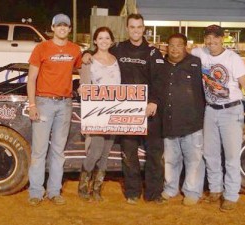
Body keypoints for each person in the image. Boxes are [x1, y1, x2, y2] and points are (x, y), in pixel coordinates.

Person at [83, 13, 165, 204]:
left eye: (139, 27)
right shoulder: (119, 48)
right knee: (129, 154)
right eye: (132, 27)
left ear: (144, 29)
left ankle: (154, 194)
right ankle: (132, 192)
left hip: (149, 110)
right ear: (127, 29)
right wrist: (84, 53)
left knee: (154, 153)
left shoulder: (154, 52)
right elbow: (99, 49)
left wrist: (153, 101)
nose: (136, 30)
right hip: (125, 111)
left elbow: (160, 81)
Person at [191, 24, 245, 211]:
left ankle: (231, 195)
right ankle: (215, 190)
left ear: (222, 39)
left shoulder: (233, 58)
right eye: (208, 38)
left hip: (231, 110)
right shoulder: (200, 53)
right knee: (210, 153)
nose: (211, 42)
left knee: (231, 156)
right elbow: (181, 51)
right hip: (210, 110)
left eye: (215, 38)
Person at [27, 13, 82, 206]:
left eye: (65, 26)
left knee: (58, 151)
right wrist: (32, 104)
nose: (62, 28)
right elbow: (31, 78)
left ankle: (54, 191)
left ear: (69, 29)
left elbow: (82, 69)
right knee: (39, 151)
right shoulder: (41, 48)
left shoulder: (75, 50)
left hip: (64, 104)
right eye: (59, 25)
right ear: (52, 27)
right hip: (43, 103)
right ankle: (35, 192)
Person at [156, 33, 205, 206]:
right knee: (170, 160)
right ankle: (170, 189)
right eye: (171, 45)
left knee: (194, 160)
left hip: (192, 123)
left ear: (185, 47)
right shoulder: (161, 65)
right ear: (166, 47)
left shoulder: (196, 63)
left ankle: (192, 192)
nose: (175, 49)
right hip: (169, 121)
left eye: (179, 45)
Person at [77, 27, 121, 202]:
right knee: (95, 150)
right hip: (96, 112)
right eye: (100, 38)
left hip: (114, 111)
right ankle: (83, 186)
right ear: (95, 41)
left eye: (107, 38)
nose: (104, 41)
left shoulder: (116, 59)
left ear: (111, 41)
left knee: (105, 153)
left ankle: (96, 189)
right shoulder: (89, 61)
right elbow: (83, 86)